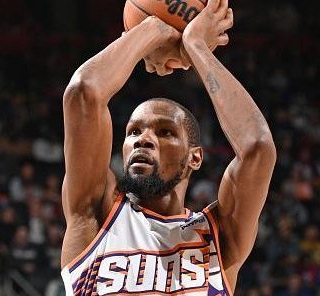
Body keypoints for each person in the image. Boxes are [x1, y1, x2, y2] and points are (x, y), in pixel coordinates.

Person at [60, 0, 276, 295]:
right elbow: (83, 92)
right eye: (133, 131)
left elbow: (259, 148)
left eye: (165, 132)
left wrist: (196, 45)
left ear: (195, 157)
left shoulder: (220, 237)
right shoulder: (95, 214)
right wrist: (153, 27)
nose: (143, 139)